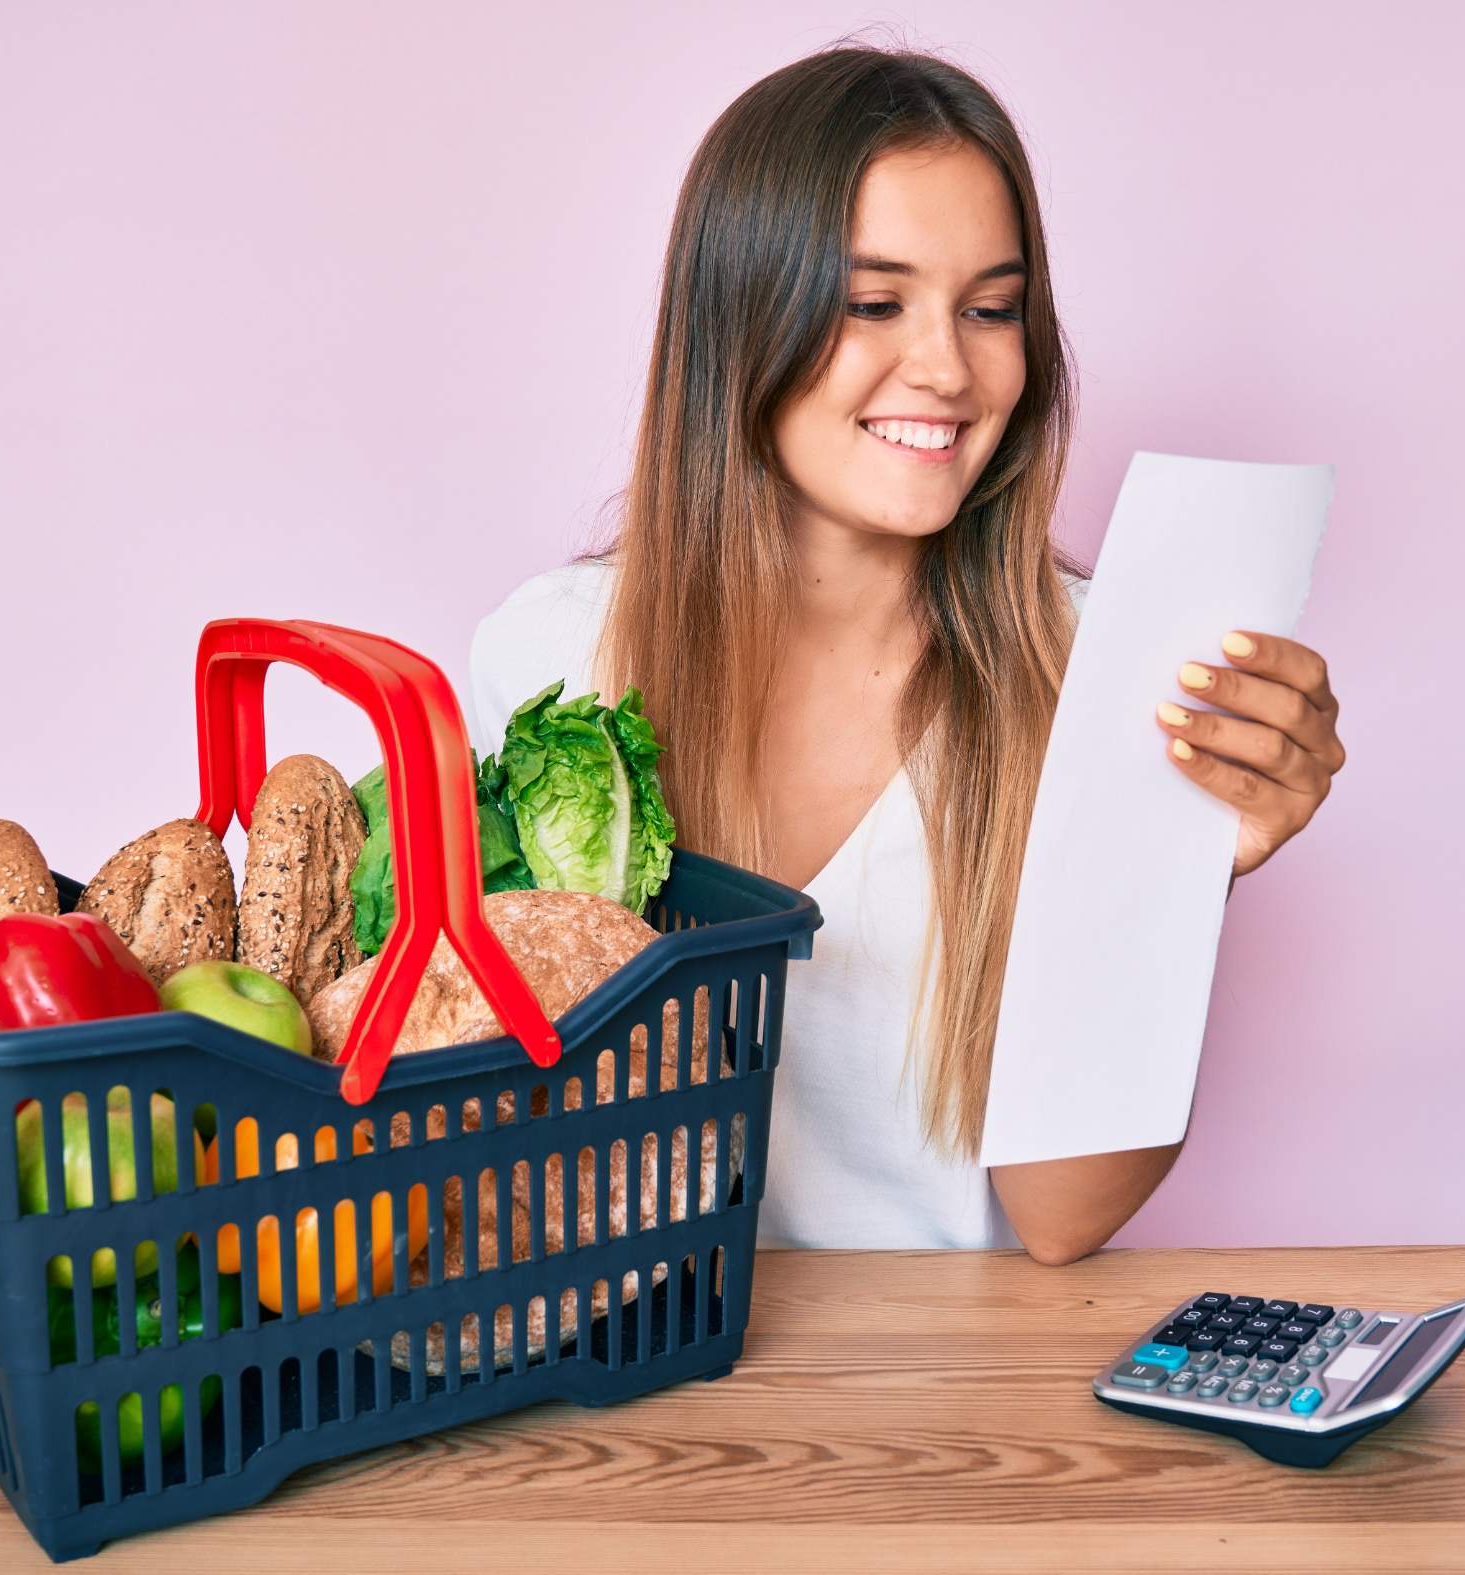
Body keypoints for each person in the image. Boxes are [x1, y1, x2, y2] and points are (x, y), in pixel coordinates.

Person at [464, 43, 1345, 1265]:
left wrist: (1182, 879)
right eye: (874, 303)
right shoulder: (556, 661)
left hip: (947, 1401)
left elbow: (1060, 1219)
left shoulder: (1102, 674)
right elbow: (484, 1153)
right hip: (627, 1385)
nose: (948, 366)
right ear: (740, 320)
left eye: (991, 310)